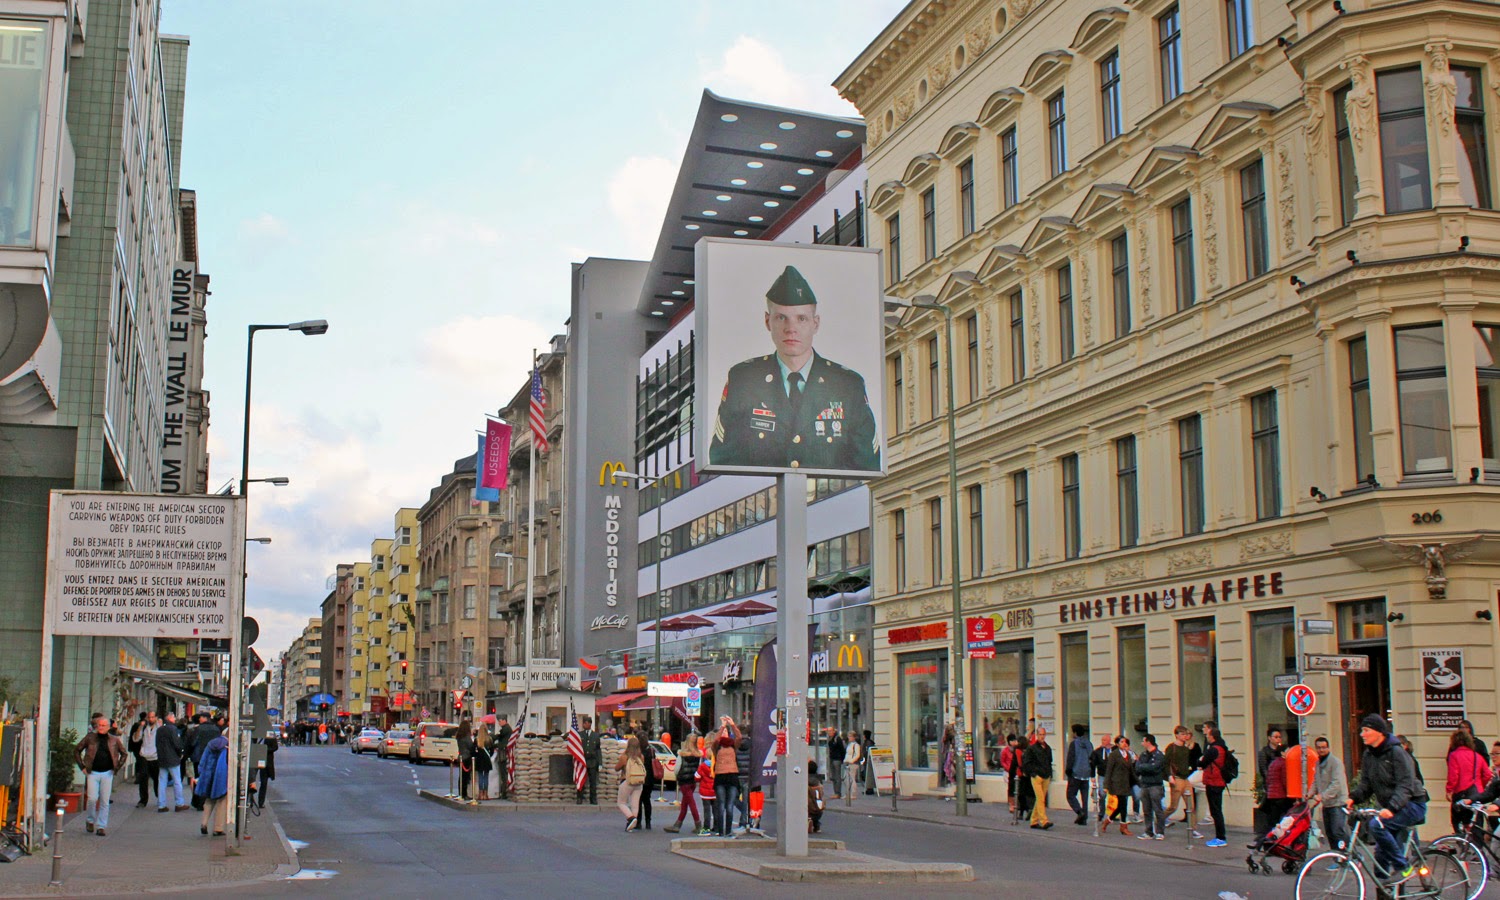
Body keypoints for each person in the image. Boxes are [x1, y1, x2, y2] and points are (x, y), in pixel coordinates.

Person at [707, 264, 880, 471]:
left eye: (801, 319)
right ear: (767, 321)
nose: (791, 329)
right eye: (781, 318)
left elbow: (867, 465)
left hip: (827, 500)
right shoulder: (744, 379)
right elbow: (722, 461)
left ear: (815, 324)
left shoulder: (847, 384)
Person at [1346, 714, 1428, 886]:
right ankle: (1387, 892)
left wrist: (1391, 808)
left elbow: (1405, 785)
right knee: (1380, 859)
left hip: (1412, 804)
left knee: (1377, 825)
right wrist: (1353, 798)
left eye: (1366, 730)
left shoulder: (1397, 752)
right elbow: (1366, 785)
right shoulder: (1369, 755)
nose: (1362, 734)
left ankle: (1404, 867)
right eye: (1362, 730)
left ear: (1379, 732)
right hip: (1392, 806)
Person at [75, 713, 126, 836]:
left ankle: (101, 826)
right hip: (92, 772)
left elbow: (124, 753)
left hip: (107, 772)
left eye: (104, 725)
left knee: (104, 800)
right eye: (99, 725)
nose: (101, 727)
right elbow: (77, 750)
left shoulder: (114, 740)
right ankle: (90, 820)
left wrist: (117, 768)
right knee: (92, 799)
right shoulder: (90, 738)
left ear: (108, 727)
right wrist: (82, 766)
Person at [1444, 728, 1492, 831]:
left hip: (1461, 794)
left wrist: (1449, 790)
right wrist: (1481, 786)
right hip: (1477, 793)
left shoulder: (1454, 755)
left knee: (1457, 822)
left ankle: (1462, 843)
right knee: (1476, 823)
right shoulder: (1477, 756)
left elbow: (1453, 776)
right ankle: (1478, 845)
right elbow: (1487, 774)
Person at [1162, 725, 1202, 836]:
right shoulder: (1172, 747)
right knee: (1173, 806)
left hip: (1186, 778)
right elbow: (1166, 763)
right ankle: (1160, 821)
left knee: (1191, 806)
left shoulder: (1186, 748)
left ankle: (1193, 829)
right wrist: (1169, 776)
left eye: (1186, 734)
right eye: (1183, 734)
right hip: (1177, 778)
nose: (1185, 736)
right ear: (1177, 735)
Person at [1313, 736, 1350, 850]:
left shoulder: (1335, 762)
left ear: (1328, 748)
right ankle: (1336, 856)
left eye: (1324, 747)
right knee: (1330, 833)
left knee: (1337, 832)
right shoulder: (1318, 763)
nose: (1321, 750)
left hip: (1338, 803)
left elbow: (1336, 784)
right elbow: (1316, 781)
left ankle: (1346, 856)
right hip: (1327, 803)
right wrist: (1309, 794)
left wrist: (1321, 796)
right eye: (1319, 748)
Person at [1199, 722, 1230, 848]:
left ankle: (1220, 837)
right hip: (1219, 781)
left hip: (1213, 781)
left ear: (1212, 737)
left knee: (1216, 810)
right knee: (1217, 810)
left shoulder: (1214, 749)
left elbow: (1202, 762)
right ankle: (1220, 836)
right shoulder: (1222, 747)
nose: (1207, 737)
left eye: (1208, 736)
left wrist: (1200, 761)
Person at [194, 731, 230, 836]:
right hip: (221, 776)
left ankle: (203, 824)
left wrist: (201, 772)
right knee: (221, 801)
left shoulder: (211, 743)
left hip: (208, 775)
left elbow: (203, 760)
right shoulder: (227, 746)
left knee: (209, 800)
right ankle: (218, 828)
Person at [665, 732, 701, 834]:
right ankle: (677, 824)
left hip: (684, 781)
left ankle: (698, 824)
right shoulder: (698, 755)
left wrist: (677, 777)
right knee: (685, 803)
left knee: (690, 803)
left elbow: (677, 768)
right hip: (692, 781)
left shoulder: (681, 754)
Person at [1254, 727, 1286, 839]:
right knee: (1272, 816)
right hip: (1271, 788)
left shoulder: (1281, 752)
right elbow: (1264, 770)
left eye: (1279, 737)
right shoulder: (1264, 752)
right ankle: (1267, 837)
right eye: (1275, 737)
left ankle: (1268, 837)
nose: (1278, 740)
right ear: (1269, 738)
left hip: (1276, 789)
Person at [1101, 735, 1136, 836]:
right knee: (1123, 805)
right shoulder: (1114, 755)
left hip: (1126, 783)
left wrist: (1137, 781)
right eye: (1121, 742)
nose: (1124, 744)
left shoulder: (1128, 755)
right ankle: (1123, 827)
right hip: (1116, 783)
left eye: (1125, 742)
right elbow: (1109, 770)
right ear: (1117, 744)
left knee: (1121, 806)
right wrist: (1106, 785)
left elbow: (1131, 771)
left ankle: (1107, 821)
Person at [713, 717, 742, 837]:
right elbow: (715, 740)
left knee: (729, 805)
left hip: (732, 776)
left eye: (726, 731)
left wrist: (733, 724)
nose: (724, 733)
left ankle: (728, 830)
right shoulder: (717, 746)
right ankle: (720, 831)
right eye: (723, 732)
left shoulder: (733, 745)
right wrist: (722, 726)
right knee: (721, 805)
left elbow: (739, 737)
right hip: (720, 777)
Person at [155, 711, 188, 812]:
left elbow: (156, 743)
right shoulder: (173, 729)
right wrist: (180, 753)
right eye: (174, 717)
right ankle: (179, 803)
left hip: (162, 758)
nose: (175, 719)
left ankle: (161, 804)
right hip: (173, 758)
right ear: (170, 718)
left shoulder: (159, 730)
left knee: (162, 781)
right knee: (177, 781)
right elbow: (177, 743)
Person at [1136, 734, 1167, 840]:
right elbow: (1137, 767)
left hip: (1155, 785)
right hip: (1144, 784)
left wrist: (1143, 767)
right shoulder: (1143, 754)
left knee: (1158, 809)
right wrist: (1145, 767)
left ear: (1148, 742)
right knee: (1146, 810)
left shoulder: (1159, 755)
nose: (1142, 743)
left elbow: (1155, 768)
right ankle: (1148, 832)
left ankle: (1160, 832)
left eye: (1143, 741)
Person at [1022, 726, 1054, 829]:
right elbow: (1027, 763)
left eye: (1044, 734)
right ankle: (1044, 821)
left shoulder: (1047, 748)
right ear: (1037, 735)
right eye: (1040, 734)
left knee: (1040, 799)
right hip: (1037, 777)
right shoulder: (1032, 748)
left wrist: (1049, 774)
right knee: (1040, 798)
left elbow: (1049, 761)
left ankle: (1033, 820)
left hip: (1046, 776)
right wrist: (1033, 773)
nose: (1042, 737)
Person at [1259, 744, 1290, 846]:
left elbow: (1268, 779)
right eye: (1288, 751)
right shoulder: (1283, 763)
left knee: (1272, 821)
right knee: (1283, 820)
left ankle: (1266, 842)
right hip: (1280, 795)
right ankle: (1275, 842)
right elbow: (1285, 780)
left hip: (1271, 795)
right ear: (1282, 753)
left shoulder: (1273, 763)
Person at [615, 736, 647, 832]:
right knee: (635, 804)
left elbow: (617, 768)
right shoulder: (641, 757)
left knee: (621, 802)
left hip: (627, 781)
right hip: (639, 783)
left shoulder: (625, 757)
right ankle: (631, 825)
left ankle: (631, 818)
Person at [1064, 723, 1093, 825]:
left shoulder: (1074, 744)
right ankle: (1084, 819)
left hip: (1075, 773)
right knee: (1084, 797)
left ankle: (1079, 812)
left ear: (1075, 733)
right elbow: (1092, 758)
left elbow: (1071, 758)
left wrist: (1068, 771)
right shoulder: (1089, 743)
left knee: (1070, 795)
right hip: (1086, 774)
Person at [1089, 731, 1113, 826]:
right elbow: (1092, 764)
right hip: (1102, 775)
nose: (1103, 741)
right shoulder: (1097, 752)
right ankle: (1101, 813)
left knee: (1114, 795)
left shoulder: (1114, 750)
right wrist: (1092, 776)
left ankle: (1112, 814)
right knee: (1102, 794)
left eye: (1105, 740)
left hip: (1113, 776)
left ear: (1109, 741)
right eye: (1102, 740)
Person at [575, 716, 600, 805]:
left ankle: (593, 799)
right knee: (581, 781)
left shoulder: (595, 735)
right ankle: (579, 798)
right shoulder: (580, 735)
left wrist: (600, 763)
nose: (586, 724)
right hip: (582, 761)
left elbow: (598, 750)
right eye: (585, 723)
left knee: (593, 782)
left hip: (592, 761)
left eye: (588, 723)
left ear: (590, 723)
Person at [697, 747, 718, 836]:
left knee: (707, 811)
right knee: (716, 810)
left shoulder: (702, 766)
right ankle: (717, 828)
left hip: (705, 792)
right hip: (715, 792)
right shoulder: (717, 765)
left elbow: (697, 777)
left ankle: (706, 828)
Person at [456, 719, 476, 803]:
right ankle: (464, 794)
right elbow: (471, 746)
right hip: (467, 757)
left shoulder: (459, 736)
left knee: (461, 776)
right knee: (465, 776)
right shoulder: (466, 737)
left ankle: (461, 793)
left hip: (461, 756)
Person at [495, 715, 514, 800]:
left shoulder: (506, 729)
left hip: (503, 753)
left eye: (500, 720)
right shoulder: (506, 729)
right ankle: (504, 791)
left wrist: (494, 744)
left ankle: (504, 792)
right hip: (504, 751)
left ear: (504, 720)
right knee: (503, 773)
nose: (499, 722)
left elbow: (501, 738)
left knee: (503, 773)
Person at [473, 727, 493, 800]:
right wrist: (489, 756)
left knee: (480, 777)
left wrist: (477, 755)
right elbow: (492, 750)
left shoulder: (477, 739)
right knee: (486, 777)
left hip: (479, 760)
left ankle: (480, 794)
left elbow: (473, 750)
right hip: (487, 760)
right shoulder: (489, 739)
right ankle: (486, 794)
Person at [808, 759, 826, 833]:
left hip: (808, 808)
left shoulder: (804, 780)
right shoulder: (819, 781)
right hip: (819, 808)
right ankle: (816, 825)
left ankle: (808, 820)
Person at [843, 730, 863, 799]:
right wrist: (845, 760)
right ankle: (847, 793)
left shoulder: (856, 745)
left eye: (850, 736)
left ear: (854, 737)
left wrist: (851, 761)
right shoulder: (849, 744)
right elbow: (847, 754)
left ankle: (853, 794)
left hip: (853, 763)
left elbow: (857, 755)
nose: (849, 737)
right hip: (847, 762)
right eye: (848, 736)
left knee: (852, 779)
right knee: (846, 779)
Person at [827, 729, 846, 799]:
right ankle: (836, 792)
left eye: (830, 731)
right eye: (828, 731)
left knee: (837, 777)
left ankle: (838, 793)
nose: (829, 733)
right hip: (832, 758)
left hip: (837, 759)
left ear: (833, 731)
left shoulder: (837, 738)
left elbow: (842, 749)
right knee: (833, 776)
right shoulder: (831, 739)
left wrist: (841, 759)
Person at [863, 729, 877, 795]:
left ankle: (869, 788)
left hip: (868, 761)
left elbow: (867, 752)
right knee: (866, 774)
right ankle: (868, 788)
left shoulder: (868, 743)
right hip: (867, 760)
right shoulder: (869, 742)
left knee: (868, 774)